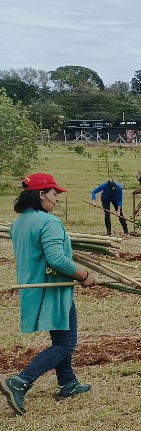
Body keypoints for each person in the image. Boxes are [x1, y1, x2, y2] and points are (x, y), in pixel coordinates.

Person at [2, 173, 97, 416]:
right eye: (54, 194)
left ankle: (68, 383)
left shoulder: (19, 223)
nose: (56, 199)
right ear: (41, 194)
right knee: (66, 344)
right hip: (53, 289)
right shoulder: (48, 222)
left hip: (34, 288)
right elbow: (56, 259)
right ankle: (20, 381)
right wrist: (84, 275)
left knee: (60, 339)